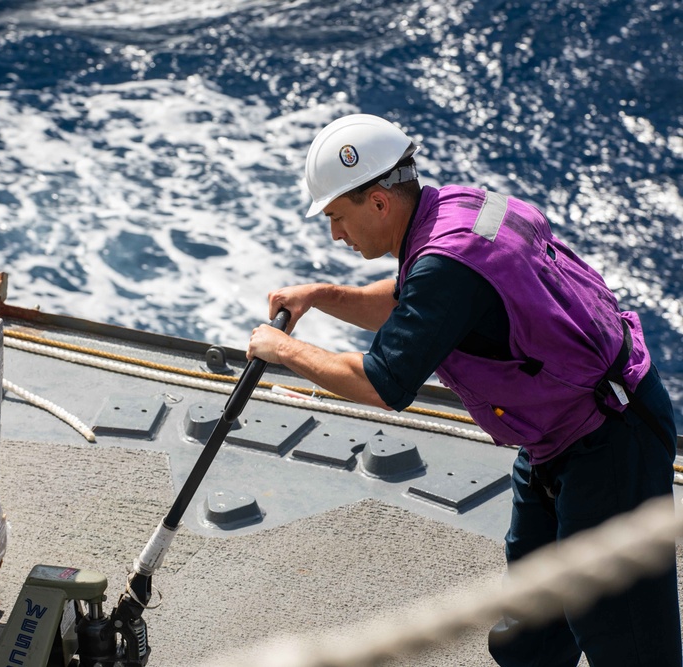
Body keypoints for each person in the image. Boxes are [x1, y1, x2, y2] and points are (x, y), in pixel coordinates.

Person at [246, 113, 681, 666]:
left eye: (337, 216)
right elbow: (420, 300)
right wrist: (324, 295)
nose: (336, 234)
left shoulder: (447, 265)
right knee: (531, 633)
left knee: (631, 645)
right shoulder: (453, 210)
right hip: (557, 442)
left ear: (379, 202)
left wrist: (280, 350)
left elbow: (382, 383)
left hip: (609, 442)